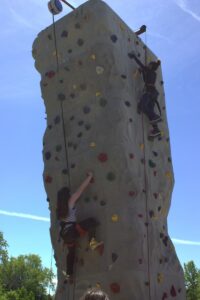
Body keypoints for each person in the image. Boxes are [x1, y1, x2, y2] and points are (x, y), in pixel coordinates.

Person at [57, 172, 103, 282]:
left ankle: (69, 274)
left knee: (71, 253)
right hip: (71, 231)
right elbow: (80, 190)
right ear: (67, 195)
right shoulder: (70, 201)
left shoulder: (59, 208)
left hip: (65, 234)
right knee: (92, 222)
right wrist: (90, 177)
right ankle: (92, 242)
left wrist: (63, 240)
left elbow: (60, 224)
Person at [128, 51, 162, 137]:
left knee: (142, 106)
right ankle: (156, 129)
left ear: (151, 66)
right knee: (150, 111)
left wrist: (134, 57)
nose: (147, 65)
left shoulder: (149, 70)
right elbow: (144, 73)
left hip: (150, 92)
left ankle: (156, 117)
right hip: (153, 93)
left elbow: (142, 66)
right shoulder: (152, 73)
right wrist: (142, 71)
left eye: (149, 64)